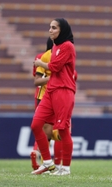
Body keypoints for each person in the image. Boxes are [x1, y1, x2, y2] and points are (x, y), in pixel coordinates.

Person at [31, 18, 76, 176]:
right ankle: (48, 162)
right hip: (50, 90)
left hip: (63, 90)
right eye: (50, 27)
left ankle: (65, 168)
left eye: (54, 28)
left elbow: (55, 66)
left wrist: (40, 63)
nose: (50, 30)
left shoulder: (68, 46)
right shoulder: (56, 47)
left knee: (62, 130)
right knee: (36, 124)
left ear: (62, 30)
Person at [30, 37, 54, 170]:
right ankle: (45, 158)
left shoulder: (40, 57)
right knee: (53, 129)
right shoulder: (59, 57)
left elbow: (36, 75)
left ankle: (38, 153)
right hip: (52, 96)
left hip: (39, 96)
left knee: (41, 127)